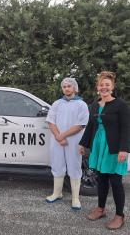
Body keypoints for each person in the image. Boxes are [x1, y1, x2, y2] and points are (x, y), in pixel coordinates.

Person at [79, 71, 130, 230]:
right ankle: (101, 209)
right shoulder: (94, 104)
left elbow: (126, 128)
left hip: (114, 148)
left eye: (107, 85)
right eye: (102, 85)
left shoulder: (120, 105)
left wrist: (124, 149)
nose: (104, 87)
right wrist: (83, 144)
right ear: (97, 88)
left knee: (115, 181)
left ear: (112, 87)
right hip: (99, 147)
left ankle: (120, 215)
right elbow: (91, 126)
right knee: (101, 179)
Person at [45, 78, 89, 210]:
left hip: (73, 142)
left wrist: (62, 136)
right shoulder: (57, 104)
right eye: (64, 86)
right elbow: (50, 121)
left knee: (74, 167)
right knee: (57, 165)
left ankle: (75, 198)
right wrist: (59, 137)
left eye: (69, 86)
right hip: (57, 141)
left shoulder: (81, 105)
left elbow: (80, 125)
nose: (66, 88)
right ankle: (57, 193)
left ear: (75, 88)